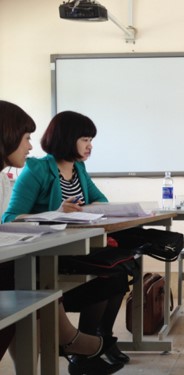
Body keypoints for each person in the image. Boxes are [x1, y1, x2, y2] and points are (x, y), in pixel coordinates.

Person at [2, 109, 129, 373]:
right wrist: (56, 212)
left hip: (67, 246)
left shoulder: (79, 169)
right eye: (85, 139)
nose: (90, 146)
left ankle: (91, 343)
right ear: (67, 138)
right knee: (109, 273)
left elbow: (100, 201)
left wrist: (85, 211)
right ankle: (78, 346)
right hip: (45, 252)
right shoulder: (37, 169)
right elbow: (10, 217)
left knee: (123, 268)